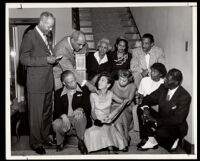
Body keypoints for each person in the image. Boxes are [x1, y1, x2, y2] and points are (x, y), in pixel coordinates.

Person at [19, 11, 57, 155]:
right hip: (35, 84)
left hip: (47, 82)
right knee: (36, 116)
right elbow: (23, 59)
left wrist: (52, 58)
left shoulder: (45, 36)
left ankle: (44, 137)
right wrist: (46, 60)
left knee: (46, 114)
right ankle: (36, 143)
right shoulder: (30, 36)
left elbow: (43, 55)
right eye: (49, 26)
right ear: (41, 22)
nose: (50, 29)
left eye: (51, 27)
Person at [137, 68, 191, 152]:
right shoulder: (163, 87)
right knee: (140, 109)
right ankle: (151, 140)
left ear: (176, 82)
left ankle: (174, 139)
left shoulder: (184, 96)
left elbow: (177, 119)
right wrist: (146, 109)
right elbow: (148, 98)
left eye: (167, 80)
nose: (164, 80)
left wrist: (156, 120)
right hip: (162, 118)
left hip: (176, 125)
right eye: (165, 77)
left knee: (160, 132)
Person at [84, 72, 128, 154]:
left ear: (108, 85)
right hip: (97, 122)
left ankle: (110, 148)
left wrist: (122, 103)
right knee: (91, 132)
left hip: (107, 121)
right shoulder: (93, 95)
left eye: (103, 80)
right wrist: (96, 120)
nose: (99, 82)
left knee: (107, 128)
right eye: (99, 80)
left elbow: (122, 102)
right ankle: (110, 148)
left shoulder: (111, 94)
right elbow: (92, 111)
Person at [52, 70, 91, 154]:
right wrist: (63, 116)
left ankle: (81, 141)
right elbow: (57, 110)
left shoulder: (84, 89)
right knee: (56, 124)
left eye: (74, 80)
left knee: (79, 116)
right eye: (70, 82)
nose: (74, 83)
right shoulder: (58, 93)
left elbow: (88, 106)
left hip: (77, 118)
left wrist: (81, 108)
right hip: (65, 118)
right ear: (64, 83)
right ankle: (60, 142)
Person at [133, 63, 167, 132]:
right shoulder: (145, 80)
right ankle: (145, 135)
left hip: (157, 106)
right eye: (151, 71)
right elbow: (140, 95)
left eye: (154, 72)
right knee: (139, 108)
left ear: (160, 74)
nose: (151, 73)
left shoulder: (163, 83)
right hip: (145, 103)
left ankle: (153, 129)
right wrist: (140, 103)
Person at [111, 69, 137, 151]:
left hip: (127, 108)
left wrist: (120, 104)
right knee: (117, 112)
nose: (121, 81)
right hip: (115, 106)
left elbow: (128, 101)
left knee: (120, 113)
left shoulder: (132, 86)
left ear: (129, 80)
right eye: (120, 79)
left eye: (124, 80)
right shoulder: (114, 84)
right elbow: (109, 97)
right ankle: (125, 138)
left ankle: (124, 138)